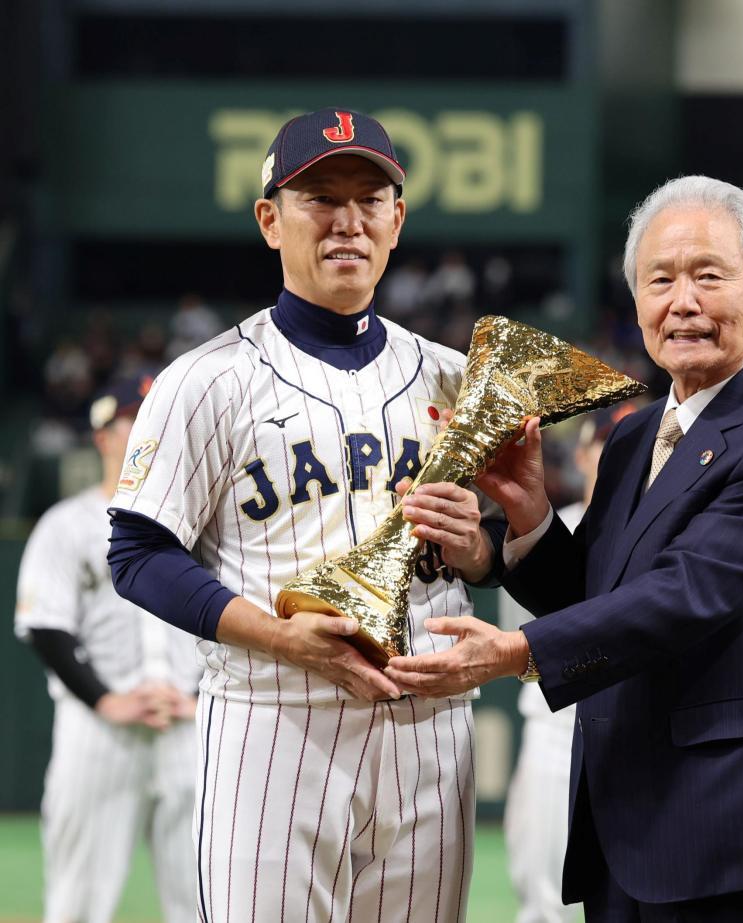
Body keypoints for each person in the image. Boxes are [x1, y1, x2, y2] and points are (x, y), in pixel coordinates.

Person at [389, 175, 743, 922]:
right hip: (621, 827)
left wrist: (515, 652)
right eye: (659, 279)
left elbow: (682, 596)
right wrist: (525, 517)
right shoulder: (635, 435)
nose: (683, 301)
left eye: (709, 275)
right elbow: (599, 595)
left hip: (736, 838)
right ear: (636, 305)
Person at [107, 108, 505, 923]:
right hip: (274, 719)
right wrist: (279, 633)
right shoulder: (206, 380)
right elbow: (139, 552)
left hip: (428, 724)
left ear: (397, 220)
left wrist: (478, 550)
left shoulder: (456, 378)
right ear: (270, 219)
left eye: (370, 198)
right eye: (320, 197)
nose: (347, 220)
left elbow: (500, 544)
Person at [15, 372, 199, 923]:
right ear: (103, 436)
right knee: (76, 903)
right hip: (98, 733)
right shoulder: (66, 524)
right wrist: (105, 700)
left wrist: (198, 696)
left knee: (208, 902)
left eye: (156, 421)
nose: (146, 433)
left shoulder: (199, 521)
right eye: (132, 421)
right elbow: (46, 627)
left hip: (189, 728)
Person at [500, 407, 634, 923]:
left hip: (637, 734)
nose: (620, 453)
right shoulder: (541, 534)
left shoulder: (671, 533)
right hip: (556, 736)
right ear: (581, 455)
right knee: (543, 903)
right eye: (606, 442)